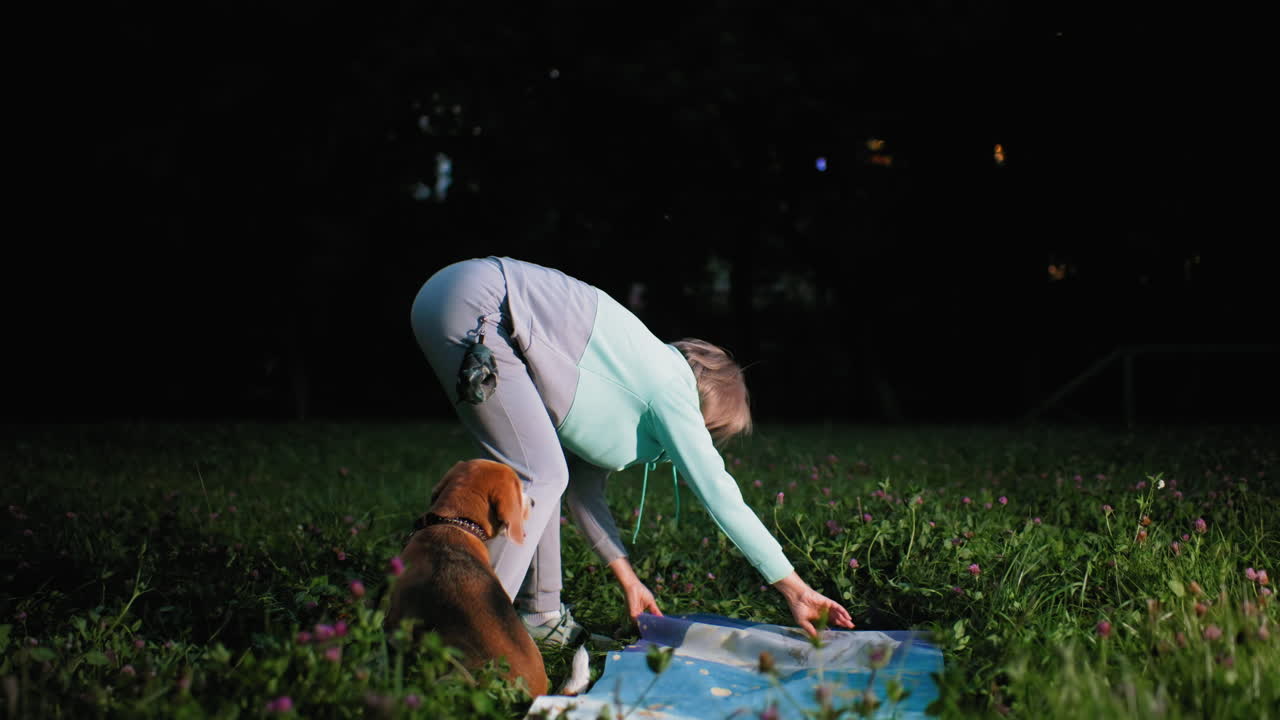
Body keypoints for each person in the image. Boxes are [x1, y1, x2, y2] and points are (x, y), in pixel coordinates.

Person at [409, 256, 853, 645]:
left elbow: (582, 494)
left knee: (547, 472)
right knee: (539, 474)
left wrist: (629, 580)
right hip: (480, 306)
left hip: (462, 297)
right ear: (702, 413)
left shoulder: (629, 371)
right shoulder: (669, 386)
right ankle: (473, 629)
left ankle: (539, 616)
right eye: (707, 433)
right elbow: (720, 494)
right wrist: (794, 588)